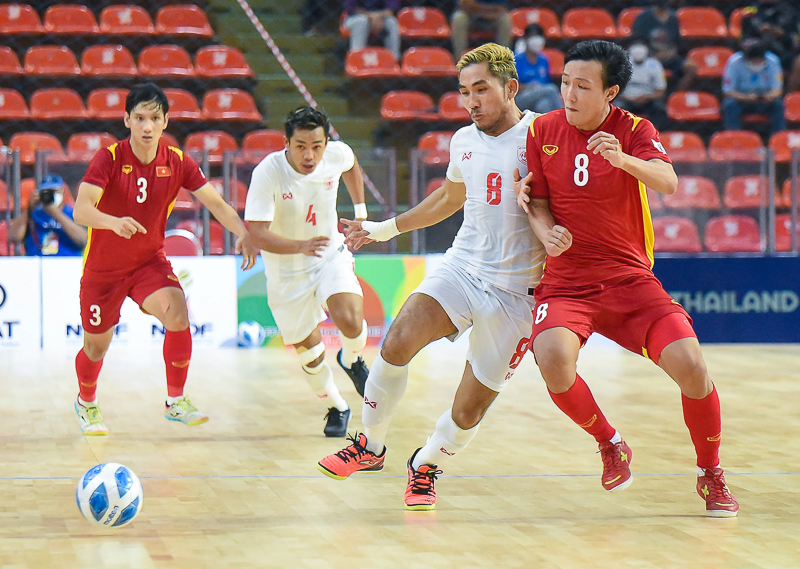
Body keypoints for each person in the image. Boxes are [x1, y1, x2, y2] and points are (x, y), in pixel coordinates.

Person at [515, 40, 739, 517]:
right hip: (568, 282)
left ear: (610, 92)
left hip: (630, 281)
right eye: (565, 83)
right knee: (552, 357)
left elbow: (667, 181)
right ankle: (609, 442)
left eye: (582, 86)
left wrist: (623, 160)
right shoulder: (542, 131)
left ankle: (711, 473)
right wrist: (545, 230)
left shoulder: (634, 129)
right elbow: (534, 199)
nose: (569, 95)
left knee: (692, 366)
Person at [317, 43, 545, 510]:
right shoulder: (463, 140)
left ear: (511, 88)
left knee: (469, 409)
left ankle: (425, 465)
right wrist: (381, 229)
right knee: (397, 339)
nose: (472, 102)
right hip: (463, 267)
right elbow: (447, 200)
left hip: (518, 294)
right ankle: (370, 446)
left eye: (482, 90)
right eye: (465, 92)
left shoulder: (543, 135)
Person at [72, 83, 259, 436]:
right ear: (126, 119)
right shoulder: (109, 158)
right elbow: (81, 210)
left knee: (177, 310)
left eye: (154, 118)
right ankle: (87, 402)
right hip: (103, 271)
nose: (146, 126)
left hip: (148, 263)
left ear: (165, 121)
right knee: (96, 347)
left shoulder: (177, 162)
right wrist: (113, 223)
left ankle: (175, 401)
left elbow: (216, 204)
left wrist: (244, 232)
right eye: (139, 118)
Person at [245, 106, 372, 438]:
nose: (310, 154)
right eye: (301, 146)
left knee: (352, 320)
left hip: (328, 254)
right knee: (311, 354)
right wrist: (299, 246)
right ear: (286, 142)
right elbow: (256, 232)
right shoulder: (268, 172)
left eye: (316, 146)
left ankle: (352, 358)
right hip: (286, 271)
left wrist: (361, 212)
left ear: (326, 142)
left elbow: (352, 164)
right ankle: (337, 406)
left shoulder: (335, 154)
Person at [7, 174, 86, 256]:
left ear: (62, 191)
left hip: (66, 262)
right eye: (47, 192)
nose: (50, 195)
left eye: (54, 192)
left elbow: (83, 240)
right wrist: (29, 209)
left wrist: (54, 212)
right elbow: (13, 237)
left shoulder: (73, 213)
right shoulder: (34, 214)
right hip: (36, 262)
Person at [722, 38, 785, 135]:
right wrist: (747, 97)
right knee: (729, 105)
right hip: (742, 100)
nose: (756, 63)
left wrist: (769, 96)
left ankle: (778, 137)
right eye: (753, 61)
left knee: (778, 105)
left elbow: (778, 90)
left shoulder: (773, 61)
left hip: (765, 100)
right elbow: (728, 91)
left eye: (759, 60)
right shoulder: (734, 62)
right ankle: (734, 136)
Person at [631, 1, 695, 91]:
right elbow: (637, 43)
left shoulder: (673, 18)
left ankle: (676, 96)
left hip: (670, 58)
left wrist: (672, 52)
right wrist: (652, 55)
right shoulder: (644, 17)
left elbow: (677, 43)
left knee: (691, 67)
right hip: (650, 58)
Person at [616, 38, 668, 130]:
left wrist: (648, 97)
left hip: (647, 99)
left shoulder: (654, 64)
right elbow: (614, 88)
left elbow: (661, 90)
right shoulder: (621, 64)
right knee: (615, 110)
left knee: (660, 110)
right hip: (627, 99)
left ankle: (655, 135)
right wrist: (628, 98)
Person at [514, 24, 562, 114]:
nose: (537, 40)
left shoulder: (544, 60)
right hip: (522, 98)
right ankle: (565, 120)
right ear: (526, 39)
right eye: (533, 36)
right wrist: (533, 88)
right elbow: (514, 87)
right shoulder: (517, 60)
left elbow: (547, 82)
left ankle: (546, 127)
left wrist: (540, 89)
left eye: (539, 36)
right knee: (551, 89)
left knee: (543, 105)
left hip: (541, 95)